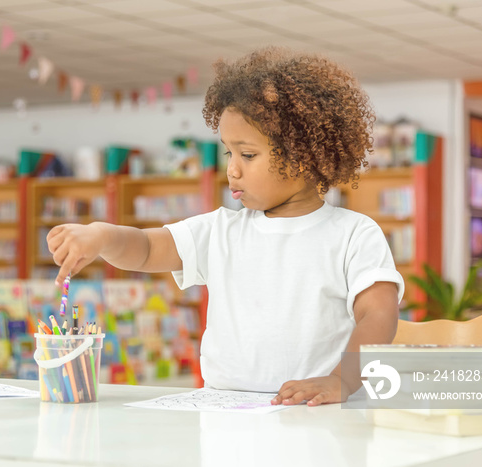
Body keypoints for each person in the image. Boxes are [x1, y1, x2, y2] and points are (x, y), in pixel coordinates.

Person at [47, 46, 404, 406]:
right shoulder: (220, 230)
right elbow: (147, 248)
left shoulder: (353, 234)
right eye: (228, 153)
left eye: (247, 155)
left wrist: (341, 381)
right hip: (225, 413)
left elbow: (378, 314)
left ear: (302, 158)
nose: (232, 169)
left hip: (316, 413)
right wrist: (101, 235)